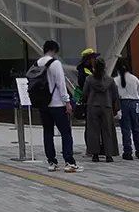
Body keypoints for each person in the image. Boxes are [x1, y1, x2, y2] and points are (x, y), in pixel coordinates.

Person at [36, 40, 82, 173]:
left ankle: (51, 161)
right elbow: (61, 84)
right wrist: (67, 102)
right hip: (57, 103)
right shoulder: (55, 64)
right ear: (54, 50)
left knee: (48, 132)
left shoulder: (37, 63)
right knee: (65, 133)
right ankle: (69, 161)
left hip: (43, 104)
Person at [82, 58, 120, 163]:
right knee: (107, 131)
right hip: (106, 106)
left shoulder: (89, 80)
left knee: (93, 131)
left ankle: (95, 154)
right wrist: (115, 108)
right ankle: (109, 155)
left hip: (92, 106)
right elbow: (115, 95)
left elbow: (85, 94)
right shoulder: (110, 80)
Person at [113, 59, 139, 160]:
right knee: (136, 127)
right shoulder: (134, 78)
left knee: (125, 129)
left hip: (123, 103)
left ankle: (127, 152)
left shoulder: (116, 80)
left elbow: (114, 95)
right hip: (135, 103)